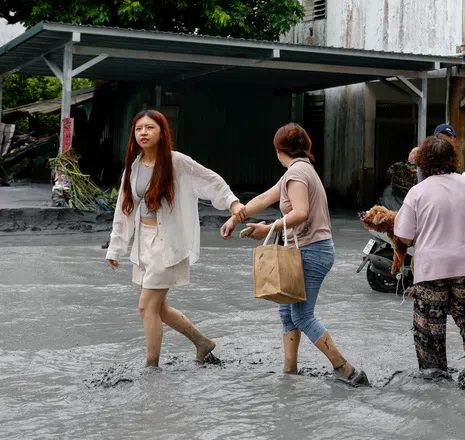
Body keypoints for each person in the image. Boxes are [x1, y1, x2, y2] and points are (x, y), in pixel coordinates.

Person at [221, 123, 369, 386]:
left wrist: (270, 227)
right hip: (309, 249)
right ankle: (289, 371)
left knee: (302, 316)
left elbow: (300, 212)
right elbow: (264, 198)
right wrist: (235, 218)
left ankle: (347, 371)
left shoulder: (297, 173)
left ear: (278, 150)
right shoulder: (299, 170)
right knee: (287, 313)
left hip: (312, 250)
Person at [105, 110, 245, 368]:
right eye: (139, 129)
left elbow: (210, 180)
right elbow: (123, 211)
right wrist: (116, 247)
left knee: (146, 307)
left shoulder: (177, 162)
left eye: (150, 127)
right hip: (144, 243)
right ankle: (202, 342)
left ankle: (151, 367)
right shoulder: (133, 167)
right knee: (160, 309)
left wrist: (233, 203)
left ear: (162, 133)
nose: (143, 133)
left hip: (167, 244)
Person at [395, 136, 465, 379]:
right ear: (452, 159)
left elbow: (404, 237)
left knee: (429, 326)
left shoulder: (417, 192)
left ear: (423, 162)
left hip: (432, 268)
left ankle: (435, 376)